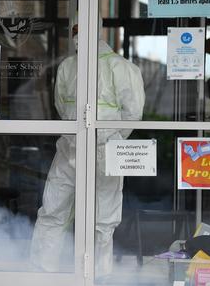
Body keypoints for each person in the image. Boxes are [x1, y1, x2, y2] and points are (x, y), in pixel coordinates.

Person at [30, 28, 145, 277]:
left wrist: (109, 140)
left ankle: (91, 274)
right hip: (75, 146)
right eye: (74, 31)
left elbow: (133, 113)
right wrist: (102, 138)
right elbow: (63, 106)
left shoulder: (118, 67)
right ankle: (53, 270)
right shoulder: (70, 66)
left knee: (97, 214)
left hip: (95, 147)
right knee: (59, 208)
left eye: (79, 31)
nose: (76, 37)